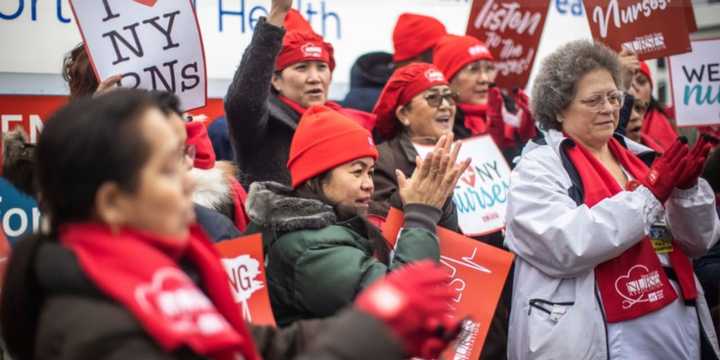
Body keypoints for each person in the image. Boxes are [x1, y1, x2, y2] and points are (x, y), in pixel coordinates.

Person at [0, 90, 460, 360]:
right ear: (112, 202)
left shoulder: (162, 281)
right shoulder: (92, 328)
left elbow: (265, 346)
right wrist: (372, 330)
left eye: (184, 161)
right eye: (165, 170)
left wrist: (379, 321)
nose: (189, 182)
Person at [506, 40, 720, 359]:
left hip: (673, 335)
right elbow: (564, 244)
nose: (608, 108)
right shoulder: (535, 168)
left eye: (613, 96)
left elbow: (698, 242)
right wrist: (649, 195)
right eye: (593, 100)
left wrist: (688, 193)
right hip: (594, 342)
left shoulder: (640, 157)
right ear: (559, 107)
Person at [244, 105, 468, 327]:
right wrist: (421, 214)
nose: (368, 184)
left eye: (370, 172)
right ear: (315, 179)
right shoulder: (307, 249)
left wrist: (438, 200)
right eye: (357, 171)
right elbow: (402, 308)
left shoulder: (343, 220)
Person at [224, 1, 374, 189]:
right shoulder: (262, 125)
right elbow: (243, 101)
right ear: (275, 80)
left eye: (321, 67)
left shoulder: (344, 124)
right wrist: (277, 16)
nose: (315, 78)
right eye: (301, 68)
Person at [370, 63, 465, 231]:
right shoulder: (382, 159)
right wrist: (417, 190)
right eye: (433, 98)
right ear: (404, 114)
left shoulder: (471, 147)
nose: (445, 106)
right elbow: (379, 223)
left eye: (449, 96)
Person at [432, 34, 537, 162]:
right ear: (448, 80)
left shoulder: (513, 112)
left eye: (489, 69)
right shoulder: (439, 126)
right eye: (473, 70)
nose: (484, 79)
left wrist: (532, 138)